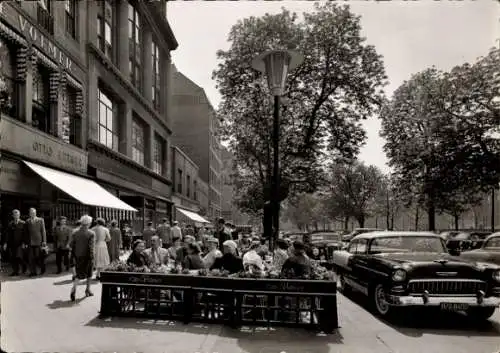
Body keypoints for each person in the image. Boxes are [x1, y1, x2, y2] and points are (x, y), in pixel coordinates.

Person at [69, 215, 96, 301]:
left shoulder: (75, 232)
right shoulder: (91, 233)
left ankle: (74, 288)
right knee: (89, 273)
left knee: (79, 273)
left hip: (78, 256)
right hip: (88, 256)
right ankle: (87, 290)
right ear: (88, 223)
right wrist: (92, 258)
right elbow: (91, 247)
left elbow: (71, 245)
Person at [24, 207, 47, 276]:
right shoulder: (27, 221)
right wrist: (25, 242)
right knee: (31, 258)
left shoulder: (40, 220)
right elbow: (26, 233)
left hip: (39, 241)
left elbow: (43, 231)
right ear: (29, 214)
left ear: (35, 213)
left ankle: (42, 268)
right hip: (30, 242)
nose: (32, 214)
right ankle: (33, 272)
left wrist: (44, 241)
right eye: (31, 213)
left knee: (39, 257)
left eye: (33, 213)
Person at [4, 209, 26, 276]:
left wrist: (24, 243)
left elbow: (25, 234)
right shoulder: (10, 224)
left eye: (17, 215)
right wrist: (5, 243)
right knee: (13, 258)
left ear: (19, 215)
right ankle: (15, 271)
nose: (16, 216)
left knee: (19, 257)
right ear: (13, 216)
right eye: (15, 215)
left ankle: (24, 266)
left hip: (20, 244)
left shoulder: (23, 223)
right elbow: (7, 235)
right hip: (12, 244)